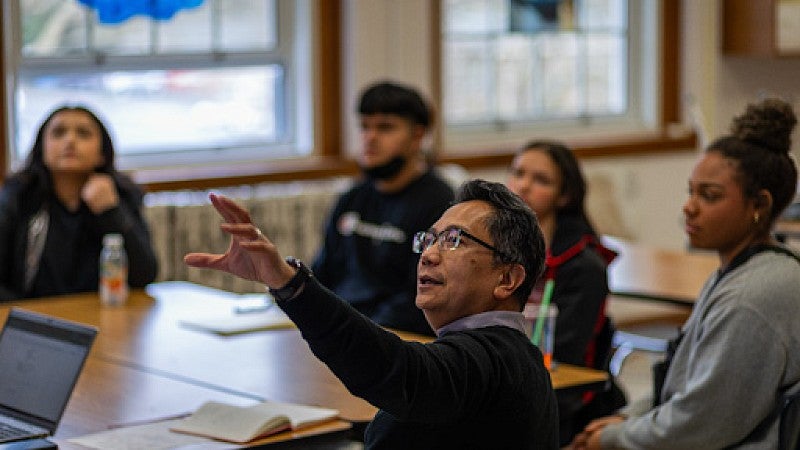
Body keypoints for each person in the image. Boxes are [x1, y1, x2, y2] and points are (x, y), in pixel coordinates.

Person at [185, 179, 559, 449]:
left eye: (454, 240)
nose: (428, 254)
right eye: (428, 239)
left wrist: (290, 283)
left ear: (507, 278)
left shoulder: (497, 359)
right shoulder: (490, 351)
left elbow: (400, 373)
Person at [572, 98, 800, 449]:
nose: (689, 207)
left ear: (760, 205)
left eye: (709, 196)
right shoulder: (737, 271)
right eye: (690, 192)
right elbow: (683, 384)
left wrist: (614, 439)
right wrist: (628, 417)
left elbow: (703, 424)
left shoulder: (752, 296)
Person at [312, 81, 454, 336]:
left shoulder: (441, 204)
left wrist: (359, 333)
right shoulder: (351, 199)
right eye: (365, 127)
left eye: (385, 128)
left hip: (396, 338)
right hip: (339, 331)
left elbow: (423, 295)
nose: (370, 137)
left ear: (417, 136)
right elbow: (322, 275)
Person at [506, 141, 625, 445]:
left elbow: (566, 351)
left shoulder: (585, 266)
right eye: (518, 173)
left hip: (566, 397)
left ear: (565, 195)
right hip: (511, 377)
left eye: (541, 180)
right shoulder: (500, 249)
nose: (523, 185)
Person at [0, 105, 158, 300]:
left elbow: (145, 275)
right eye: (59, 133)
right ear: (42, 149)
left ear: (102, 153)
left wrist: (111, 212)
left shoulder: (120, 195)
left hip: (103, 318)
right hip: (35, 320)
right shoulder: (18, 197)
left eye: (83, 134)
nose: (70, 140)